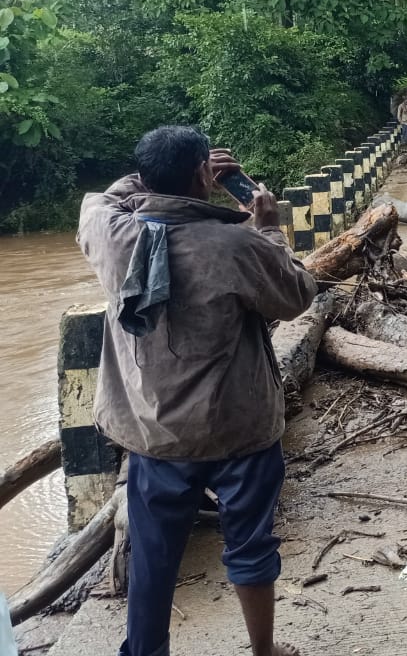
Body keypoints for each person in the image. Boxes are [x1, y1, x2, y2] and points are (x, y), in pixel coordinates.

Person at [77, 126, 317, 656]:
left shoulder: (111, 233)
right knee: (251, 545)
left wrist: (161, 174)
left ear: (143, 177)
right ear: (202, 176)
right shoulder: (236, 243)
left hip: (153, 432)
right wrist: (271, 229)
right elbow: (297, 295)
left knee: (154, 554)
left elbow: (103, 198)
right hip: (238, 429)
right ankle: (263, 650)